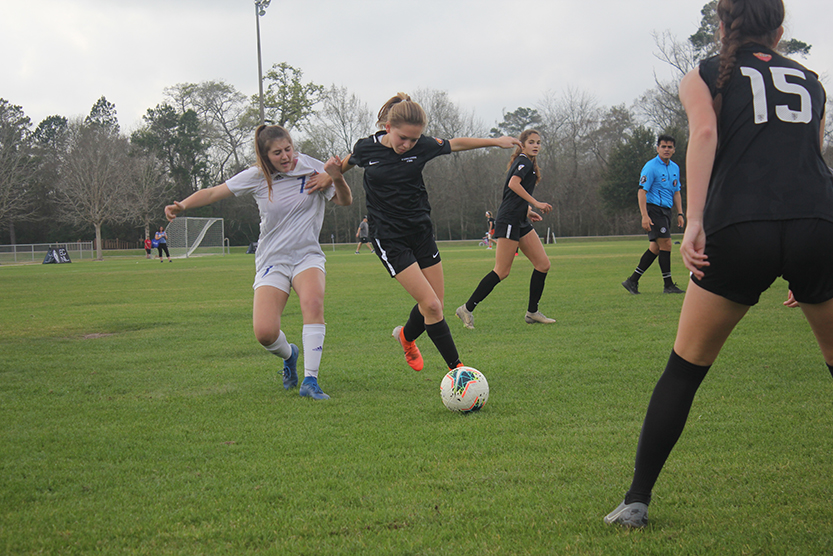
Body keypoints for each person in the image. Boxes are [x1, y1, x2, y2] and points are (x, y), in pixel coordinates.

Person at [605, 0, 833, 528]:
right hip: (818, 225)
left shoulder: (706, 73)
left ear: (723, 26)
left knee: (684, 370)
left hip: (739, 227)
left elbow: (704, 136)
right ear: (778, 30)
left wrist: (697, 220)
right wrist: (808, 263)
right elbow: (812, 159)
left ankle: (637, 500)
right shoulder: (810, 79)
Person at [320, 93, 518, 373]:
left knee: (434, 304)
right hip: (389, 237)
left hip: (421, 231)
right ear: (387, 128)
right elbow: (344, 165)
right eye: (403, 138)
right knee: (432, 306)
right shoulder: (367, 148)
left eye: (414, 140)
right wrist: (327, 176)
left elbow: (456, 144)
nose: (408, 144)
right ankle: (458, 371)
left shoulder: (422, 146)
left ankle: (406, 336)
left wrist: (495, 141)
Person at [164, 125, 352, 400]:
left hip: (307, 256)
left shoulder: (312, 168)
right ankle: (290, 355)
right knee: (265, 333)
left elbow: (345, 201)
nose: (286, 157)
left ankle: (311, 381)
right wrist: (182, 205)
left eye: (288, 149)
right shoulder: (256, 177)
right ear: (265, 156)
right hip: (272, 259)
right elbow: (214, 192)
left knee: (313, 303)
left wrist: (336, 178)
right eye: (277, 153)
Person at [456, 130, 556, 329]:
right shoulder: (524, 161)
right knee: (502, 271)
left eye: (538, 142)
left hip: (520, 220)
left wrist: (527, 211)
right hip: (509, 220)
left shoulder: (528, 162)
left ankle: (532, 312)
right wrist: (535, 203)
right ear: (522, 144)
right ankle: (466, 309)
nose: (536, 145)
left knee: (543, 264)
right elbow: (513, 185)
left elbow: (513, 195)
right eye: (531, 142)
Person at [621, 135, 685, 295]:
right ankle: (668, 285)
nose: (666, 149)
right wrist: (644, 215)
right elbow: (642, 191)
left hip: (666, 211)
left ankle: (632, 281)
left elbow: (676, 192)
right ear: (657, 148)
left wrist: (680, 213)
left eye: (670, 147)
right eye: (663, 146)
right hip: (653, 209)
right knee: (667, 244)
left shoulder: (675, 168)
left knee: (656, 248)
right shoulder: (650, 167)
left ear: (674, 150)